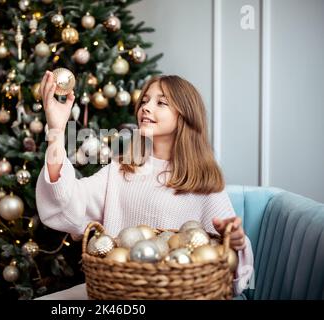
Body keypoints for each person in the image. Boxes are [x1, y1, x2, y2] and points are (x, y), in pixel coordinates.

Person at [34, 71, 253, 299]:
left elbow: (229, 265)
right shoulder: (120, 169)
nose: (146, 108)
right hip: (118, 292)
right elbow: (67, 202)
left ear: (185, 116)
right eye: (145, 101)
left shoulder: (203, 182)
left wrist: (236, 240)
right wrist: (57, 131)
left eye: (161, 103)